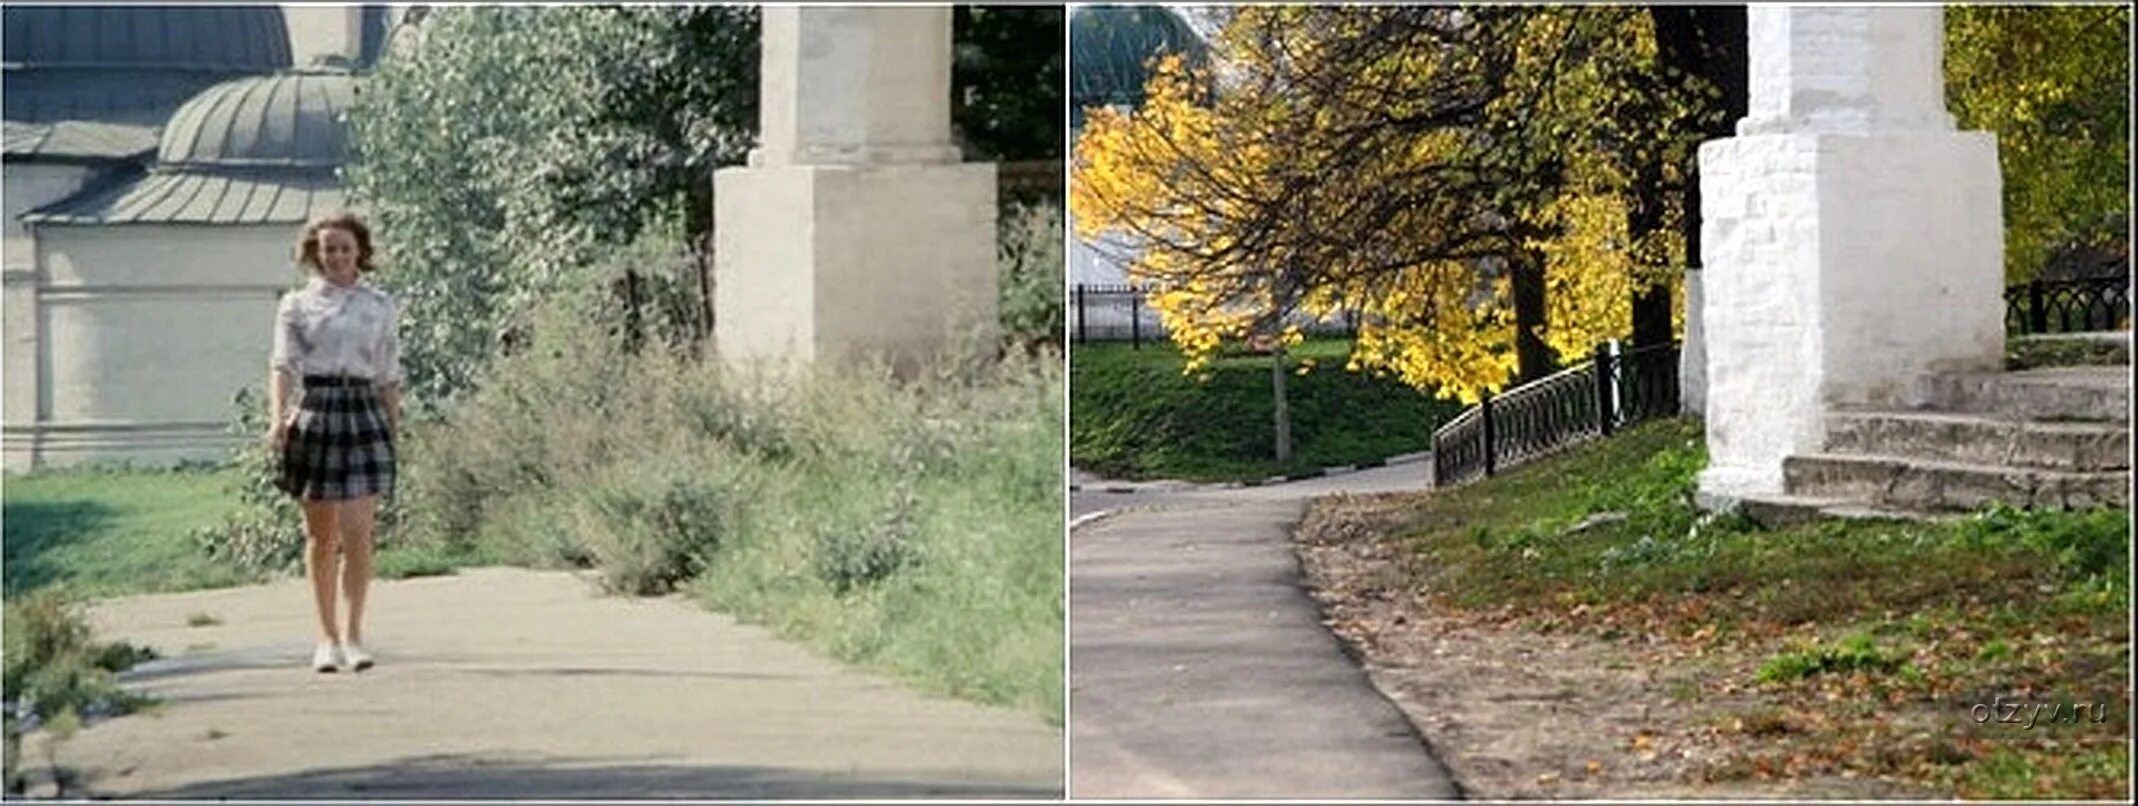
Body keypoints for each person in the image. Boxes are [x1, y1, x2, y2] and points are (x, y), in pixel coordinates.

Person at [266, 211, 402, 673]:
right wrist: (278, 419)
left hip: (362, 411)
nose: (338, 256)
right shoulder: (296, 306)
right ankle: (325, 638)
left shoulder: (379, 305)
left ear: (359, 251)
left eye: (345, 248)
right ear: (315, 254)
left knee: (359, 534)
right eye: (328, 249)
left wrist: (393, 426)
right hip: (317, 412)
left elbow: (388, 372)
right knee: (321, 536)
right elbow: (283, 365)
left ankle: (355, 634)